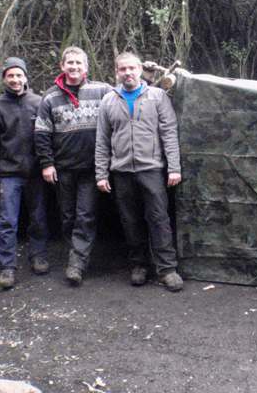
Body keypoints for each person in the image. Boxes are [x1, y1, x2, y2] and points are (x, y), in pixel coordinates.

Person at [95, 52, 183, 292]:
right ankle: (139, 266)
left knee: (159, 218)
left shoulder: (157, 96)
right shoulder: (108, 101)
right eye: (122, 69)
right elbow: (102, 140)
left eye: (132, 68)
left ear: (139, 70)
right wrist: (101, 174)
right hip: (121, 171)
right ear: (116, 72)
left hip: (152, 169)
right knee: (130, 220)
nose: (128, 73)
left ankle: (167, 269)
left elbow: (169, 133)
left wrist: (174, 168)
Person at [35, 46, 111, 286]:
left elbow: (128, 94)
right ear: (62, 66)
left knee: (85, 215)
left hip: (92, 168)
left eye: (79, 63)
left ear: (86, 67)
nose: (74, 67)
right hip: (64, 168)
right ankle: (76, 254)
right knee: (67, 216)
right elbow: (41, 133)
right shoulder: (50, 97)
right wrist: (47, 164)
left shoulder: (102, 91)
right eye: (70, 63)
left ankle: (77, 264)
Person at [0, 57, 50, 289]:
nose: (15, 80)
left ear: (26, 77)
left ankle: (38, 256)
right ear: (4, 78)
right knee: (8, 221)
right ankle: (7, 266)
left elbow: (47, 137)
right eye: (10, 75)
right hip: (9, 173)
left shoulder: (39, 103)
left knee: (39, 218)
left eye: (19, 75)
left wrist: (47, 164)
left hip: (36, 173)